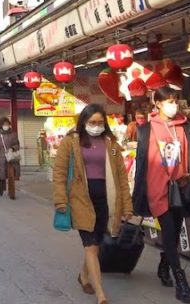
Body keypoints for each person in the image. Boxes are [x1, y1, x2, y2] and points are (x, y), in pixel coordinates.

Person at [133, 87, 190, 304]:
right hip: (158, 189)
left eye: (175, 100)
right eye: (168, 101)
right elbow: (142, 164)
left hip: (181, 186)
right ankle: (181, 282)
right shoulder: (146, 130)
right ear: (157, 104)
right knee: (168, 231)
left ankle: (163, 265)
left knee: (175, 232)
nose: (173, 105)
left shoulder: (184, 126)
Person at [52, 104, 132, 304]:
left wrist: (127, 206)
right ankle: (101, 295)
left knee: (96, 244)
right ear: (83, 122)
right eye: (92, 122)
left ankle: (83, 274)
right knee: (90, 245)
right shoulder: (71, 142)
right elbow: (60, 172)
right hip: (81, 200)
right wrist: (60, 199)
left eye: (100, 122)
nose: (96, 126)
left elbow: (121, 177)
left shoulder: (111, 144)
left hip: (105, 200)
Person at [0, 117, 20, 199]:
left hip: (11, 157)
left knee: (11, 175)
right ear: (1, 125)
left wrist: (12, 148)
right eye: (4, 124)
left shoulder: (13, 134)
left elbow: (17, 145)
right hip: (1, 158)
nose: (6, 126)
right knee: (2, 176)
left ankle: (12, 193)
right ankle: (2, 188)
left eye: (7, 124)